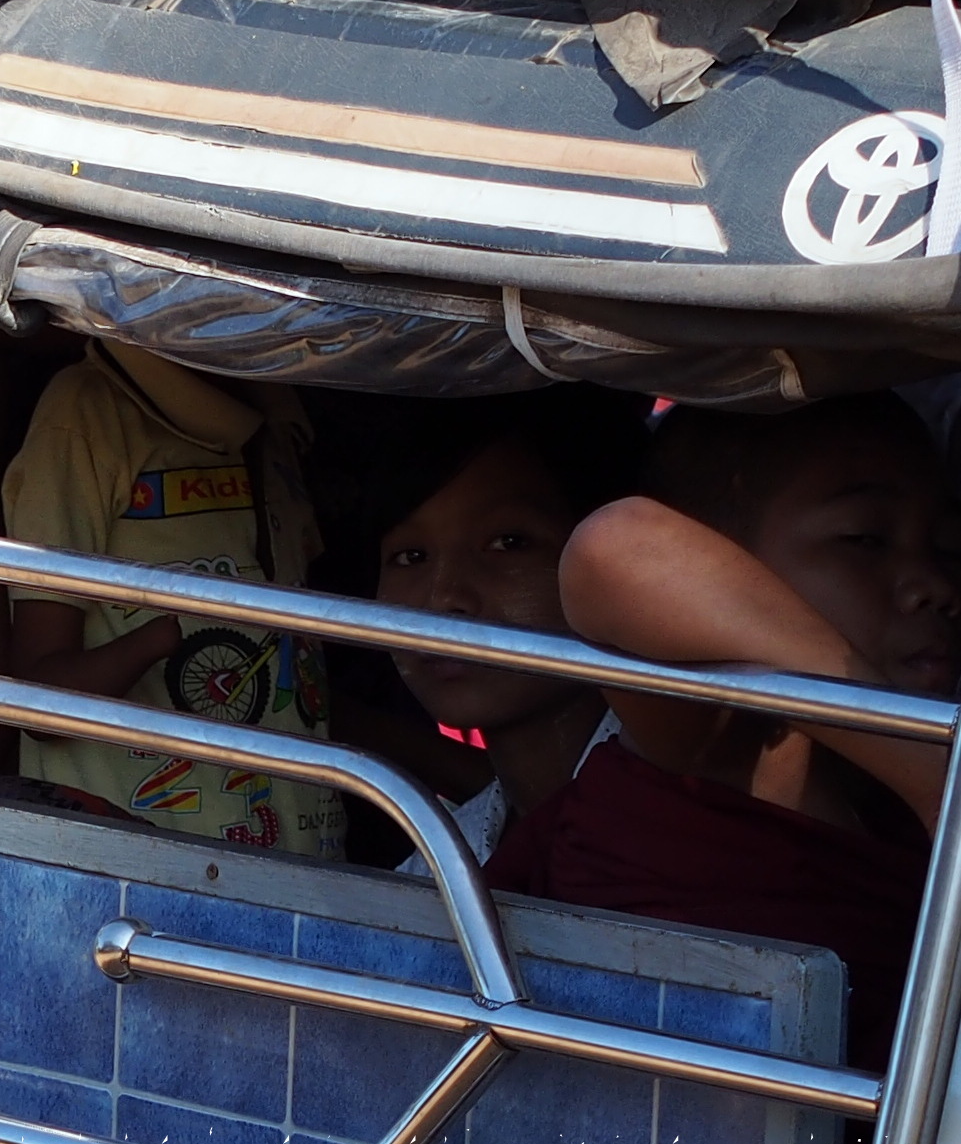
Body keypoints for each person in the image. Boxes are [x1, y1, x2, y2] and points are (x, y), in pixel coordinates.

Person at [484, 394, 958, 1070]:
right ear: (722, 563)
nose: (933, 584)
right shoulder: (715, 741)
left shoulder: (880, 806)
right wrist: (931, 776)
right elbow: (613, 547)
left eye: (948, 548)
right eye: (863, 539)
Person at [0, 340, 344, 855]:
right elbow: (40, 700)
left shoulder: (278, 414)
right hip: (138, 875)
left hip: (305, 858)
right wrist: (159, 639)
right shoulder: (88, 412)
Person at [364, 392, 647, 872]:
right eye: (410, 557)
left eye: (507, 543)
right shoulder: (442, 866)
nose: (443, 598)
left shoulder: (683, 815)